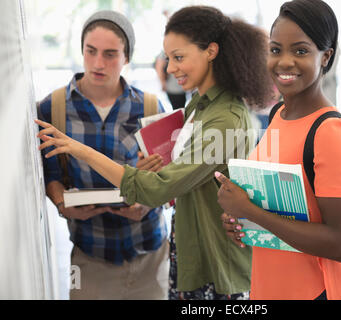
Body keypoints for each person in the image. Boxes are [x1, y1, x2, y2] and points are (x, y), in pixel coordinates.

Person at [36, 6, 273, 300]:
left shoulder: (223, 119)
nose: (169, 69)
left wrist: (80, 150)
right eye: (168, 58)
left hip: (212, 270)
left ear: (211, 51)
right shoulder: (198, 107)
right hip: (170, 257)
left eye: (178, 57)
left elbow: (160, 188)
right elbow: (181, 181)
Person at [216, 0, 341, 300]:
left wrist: (251, 212)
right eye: (275, 50)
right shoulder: (278, 115)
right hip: (272, 284)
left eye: (300, 51)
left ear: (326, 57)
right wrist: (244, 223)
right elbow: (284, 211)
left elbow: (340, 243)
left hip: (318, 291)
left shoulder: (331, 132)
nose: (284, 62)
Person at [37, 10, 169, 300]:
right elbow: (50, 173)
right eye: (91, 51)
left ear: (127, 57)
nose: (98, 63)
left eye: (110, 54)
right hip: (88, 252)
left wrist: (147, 203)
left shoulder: (149, 107)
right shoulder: (53, 107)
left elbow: (167, 177)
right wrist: (61, 203)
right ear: (81, 50)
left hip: (149, 251)